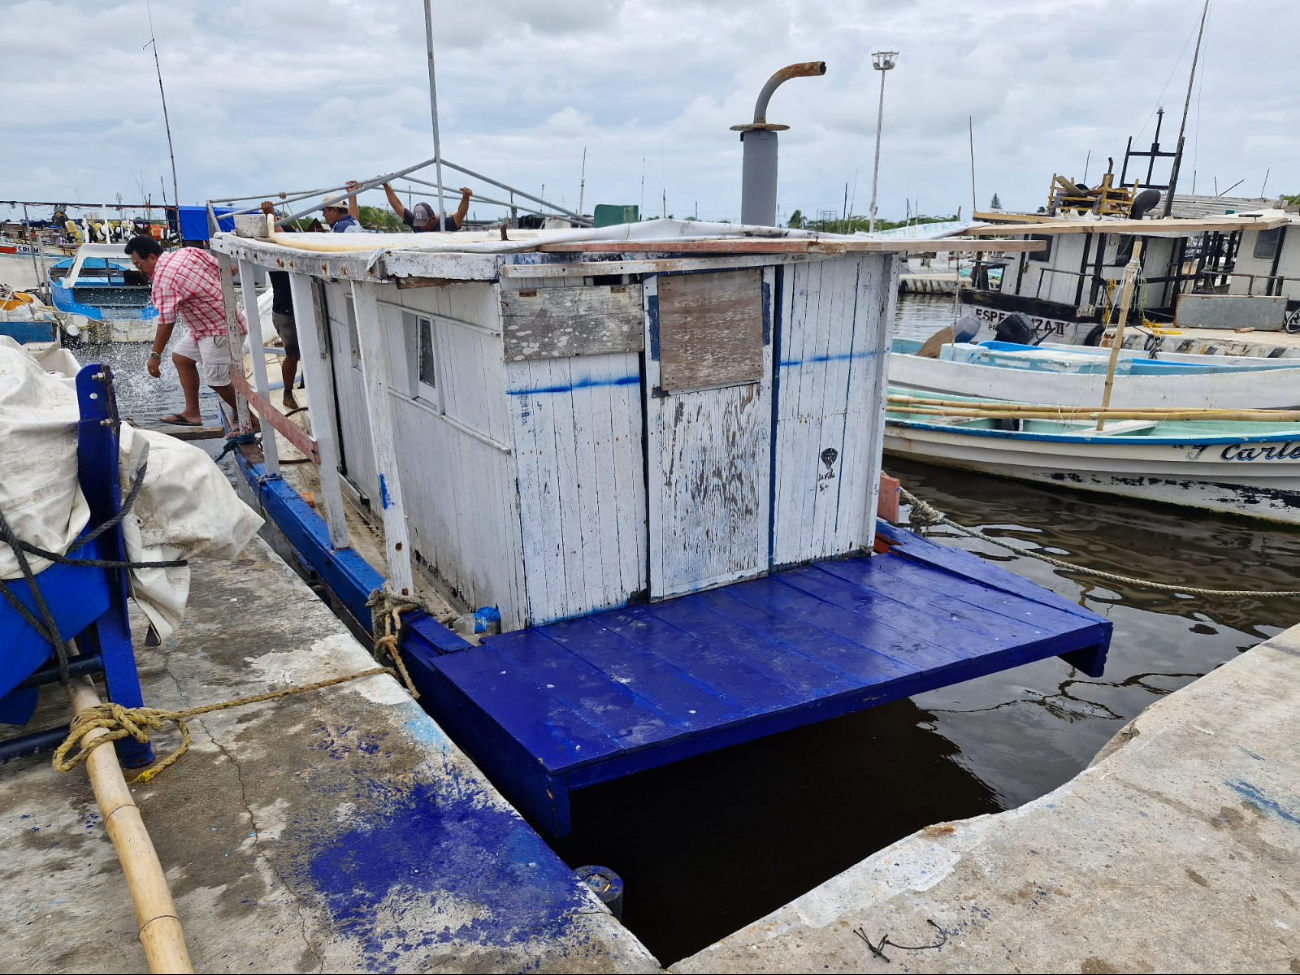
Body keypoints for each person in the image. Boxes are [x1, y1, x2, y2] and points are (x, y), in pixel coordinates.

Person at [125, 235, 252, 430]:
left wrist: (155, 356)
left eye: (139, 265)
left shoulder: (163, 281)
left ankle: (251, 421)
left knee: (218, 382)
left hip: (218, 330)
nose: (139, 270)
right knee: (181, 358)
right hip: (210, 325)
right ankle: (192, 413)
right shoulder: (188, 252)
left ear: (152, 257)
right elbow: (229, 269)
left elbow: (167, 322)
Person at [260, 201, 301, 410]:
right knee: (292, 354)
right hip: (286, 313)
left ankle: (302, 384)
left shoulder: (292, 258)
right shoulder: (278, 259)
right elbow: (277, 237)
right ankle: (287, 393)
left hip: (297, 311)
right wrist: (270, 215)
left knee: (304, 352)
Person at [382, 182, 472, 232]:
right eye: (419, 224)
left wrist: (465, 197)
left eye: (424, 224)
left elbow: (461, 213)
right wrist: (385, 185)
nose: (422, 227)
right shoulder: (415, 223)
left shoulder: (446, 224)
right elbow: (397, 206)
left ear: (433, 218)